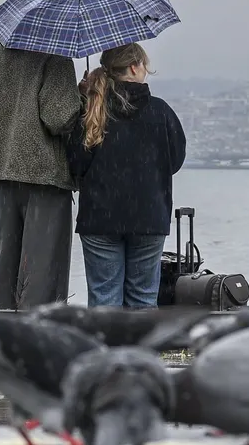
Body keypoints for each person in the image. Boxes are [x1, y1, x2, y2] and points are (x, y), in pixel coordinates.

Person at [68, 43, 187, 308]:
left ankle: (105, 349)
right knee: (143, 300)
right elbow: (175, 161)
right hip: (149, 216)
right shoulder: (161, 111)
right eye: (144, 64)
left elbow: (75, 163)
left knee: (103, 299)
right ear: (135, 67)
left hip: (100, 218)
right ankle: (140, 350)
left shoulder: (92, 111)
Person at [0, 45, 81, 310]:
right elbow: (59, 118)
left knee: (6, 267)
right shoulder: (55, 55)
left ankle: (5, 329)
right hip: (45, 176)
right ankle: (38, 335)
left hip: (3, 172)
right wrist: (82, 98)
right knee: (43, 271)